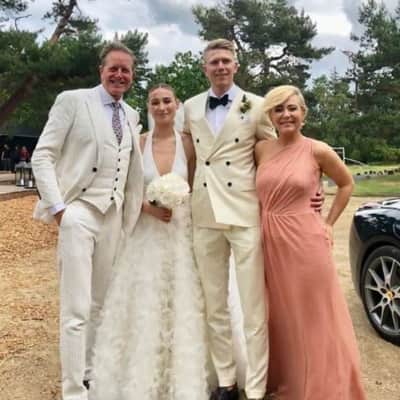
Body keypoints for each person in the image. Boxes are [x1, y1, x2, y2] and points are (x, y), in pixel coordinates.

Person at [183, 39, 323, 400]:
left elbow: (280, 153)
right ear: (204, 67)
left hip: (245, 213)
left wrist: (310, 187)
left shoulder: (258, 105)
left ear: (236, 65)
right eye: (214, 61)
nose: (220, 66)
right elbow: (186, 157)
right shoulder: (190, 107)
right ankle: (226, 382)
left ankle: (257, 388)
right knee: (214, 306)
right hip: (205, 213)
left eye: (226, 60)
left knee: (253, 307)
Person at [31, 41, 144, 400]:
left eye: (126, 70)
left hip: (112, 216)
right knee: (76, 309)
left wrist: (128, 218)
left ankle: (91, 375)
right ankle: (73, 392)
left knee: (99, 304)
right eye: (114, 68)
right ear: (101, 70)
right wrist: (59, 209)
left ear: (132, 75)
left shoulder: (132, 114)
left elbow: (132, 172)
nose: (119, 74)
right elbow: (42, 156)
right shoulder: (73, 101)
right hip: (78, 212)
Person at [89, 84, 209, 400]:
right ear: (149, 107)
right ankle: (140, 373)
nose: (162, 107)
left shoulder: (189, 144)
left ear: (177, 105)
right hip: (146, 232)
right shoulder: (138, 142)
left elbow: (196, 185)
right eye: (155, 102)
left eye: (167, 101)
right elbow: (126, 189)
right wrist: (147, 207)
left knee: (183, 298)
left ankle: (180, 373)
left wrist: (179, 203)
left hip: (181, 231)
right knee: (144, 298)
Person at [255, 85, 366, 399]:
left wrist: (328, 222)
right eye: (278, 109)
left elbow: (346, 184)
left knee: (314, 315)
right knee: (282, 314)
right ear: (271, 116)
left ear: (303, 113)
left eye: (292, 108)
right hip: (270, 240)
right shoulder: (261, 149)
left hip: (306, 240)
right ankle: (290, 379)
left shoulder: (318, 150)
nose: (286, 115)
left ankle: (324, 386)